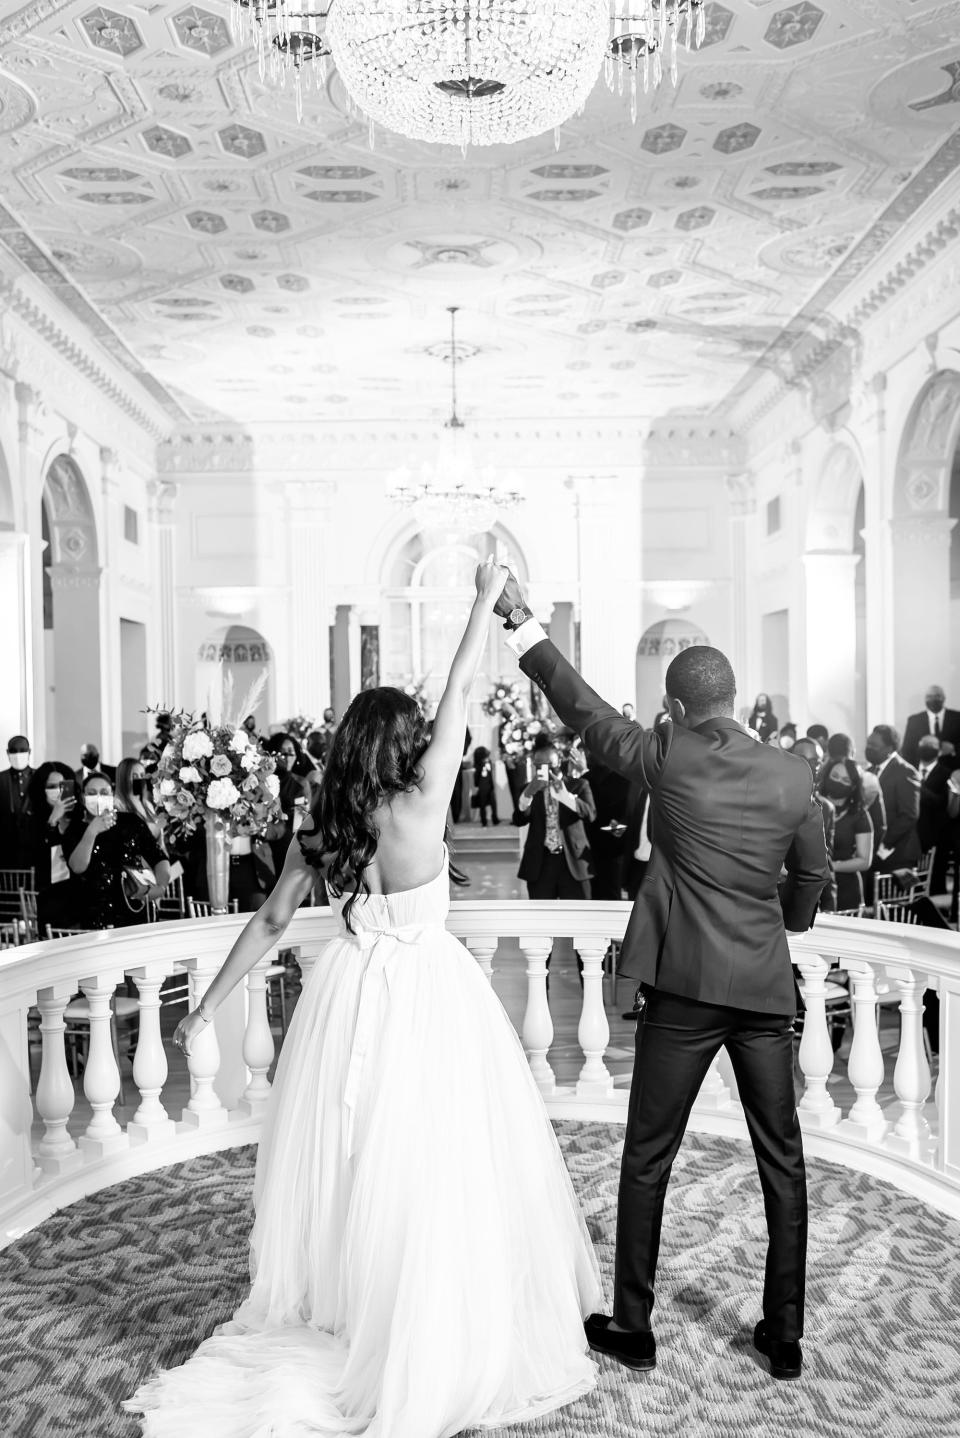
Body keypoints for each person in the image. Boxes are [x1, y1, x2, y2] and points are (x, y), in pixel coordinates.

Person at [125, 558, 601, 1437]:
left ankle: (349, 1305)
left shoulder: (321, 827)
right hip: (428, 992)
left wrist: (201, 1006)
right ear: (407, 743)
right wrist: (485, 600)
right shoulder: (424, 803)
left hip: (346, 998)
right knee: (433, 1159)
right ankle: (422, 1315)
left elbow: (268, 925)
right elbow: (462, 679)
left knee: (347, 1161)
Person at [493, 572, 827, 1382]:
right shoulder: (792, 775)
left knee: (648, 1157)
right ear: (737, 700)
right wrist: (781, 924)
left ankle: (634, 1325)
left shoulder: (666, 755)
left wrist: (518, 621)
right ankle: (782, 1335)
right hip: (762, 990)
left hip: (682, 989)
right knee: (781, 1162)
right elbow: (811, 883)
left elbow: (583, 707)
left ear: (675, 709)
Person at [62, 772, 169, 929]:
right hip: (94, 914)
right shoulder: (75, 829)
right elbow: (78, 867)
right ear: (84, 798)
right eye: (92, 793)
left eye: (104, 792)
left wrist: (160, 886)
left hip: (134, 909)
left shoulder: (131, 822)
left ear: (112, 795)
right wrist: (92, 831)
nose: (98, 797)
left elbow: (158, 856)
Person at [517, 735, 595, 900]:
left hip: (573, 863)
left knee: (578, 917)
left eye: (549, 766)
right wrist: (528, 793)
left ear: (559, 761)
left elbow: (591, 814)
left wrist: (566, 797)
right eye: (540, 767)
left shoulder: (579, 785)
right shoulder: (529, 789)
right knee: (543, 921)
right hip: (541, 863)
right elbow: (518, 819)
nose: (545, 772)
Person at [27, 761, 77, 935]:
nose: (57, 790)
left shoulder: (78, 818)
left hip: (78, 894)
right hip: (50, 897)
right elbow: (35, 855)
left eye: (62, 785)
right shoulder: (32, 822)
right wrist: (52, 821)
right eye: (51, 786)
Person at [818, 758, 873, 913]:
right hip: (812, 886)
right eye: (834, 776)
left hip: (847, 889)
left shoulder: (859, 815)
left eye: (845, 780)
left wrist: (830, 867)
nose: (838, 782)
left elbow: (864, 860)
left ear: (854, 785)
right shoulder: (813, 805)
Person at [864, 724, 921, 872]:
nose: (868, 747)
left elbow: (909, 815)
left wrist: (882, 844)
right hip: (873, 850)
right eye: (868, 743)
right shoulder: (869, 771)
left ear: (889, 748)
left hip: (897, 853)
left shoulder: (906, 771)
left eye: (874, 745)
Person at [792, 738, 836, 912]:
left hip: (810, 904)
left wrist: (829, 906)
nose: (810, 766)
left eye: (815, 761)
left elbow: (826, 862)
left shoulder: (826, 808)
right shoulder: (773, 798)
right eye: (803, 759)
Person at [902, 685, 960, 770]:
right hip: (923, 771)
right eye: (929, 696)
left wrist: (954, 749)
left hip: (953, 771)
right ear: (925, 699)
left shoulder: (957, 718)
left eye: (937, 696)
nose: (933, 699)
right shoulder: (914, 721)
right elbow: (907, 750)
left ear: (944, 698)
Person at [0, 735, 34, 872]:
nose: (18, 754)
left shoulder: (39, 777)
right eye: (14, 751)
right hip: (5, 849)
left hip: (33, 849)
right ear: (7, 753)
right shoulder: (1, 779)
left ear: (29, 752)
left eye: (22, 750)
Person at [471, 744, 498, 826]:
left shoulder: (488, 762)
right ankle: (484, 821)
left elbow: (490, 775)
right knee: (482, 804)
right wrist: (476, 785)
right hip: (482, 787)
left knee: (493, 803)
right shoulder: (478, 764)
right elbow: (477, 776)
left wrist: (492, 785)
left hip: (489, 785)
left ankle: (495, 819)